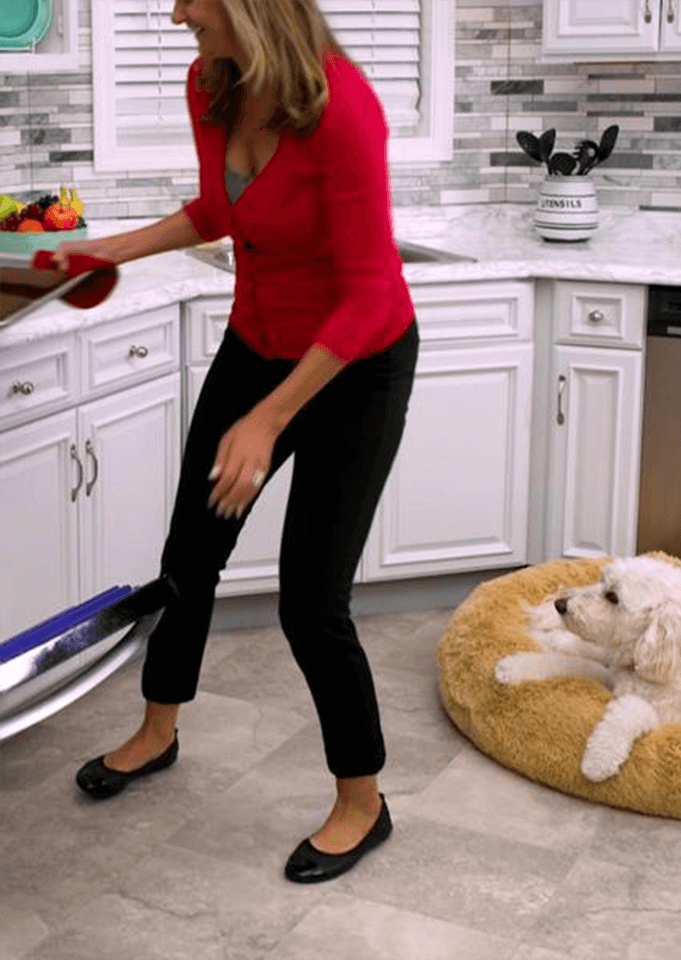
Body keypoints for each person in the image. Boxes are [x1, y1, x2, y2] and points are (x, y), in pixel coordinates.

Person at [56, 0, 418, 883]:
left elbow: (372, 293)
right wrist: (110, 251)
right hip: (257, 345)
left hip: (355, 364)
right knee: (190, 555)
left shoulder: (342, 106)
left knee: (312, 601)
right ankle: (157, 732)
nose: (177, 12)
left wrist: (269, 417)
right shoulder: (211, 83)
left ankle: (362, 801)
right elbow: (219, 211)